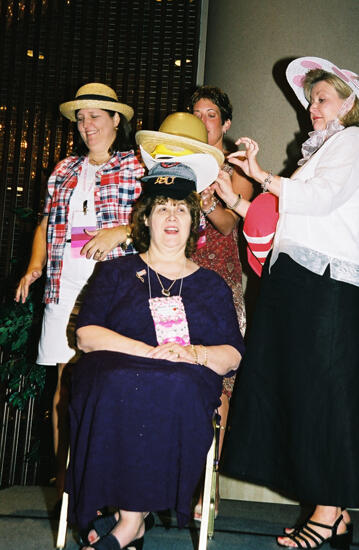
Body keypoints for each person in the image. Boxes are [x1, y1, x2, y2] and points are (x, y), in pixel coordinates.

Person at [66, 160, 244, 550]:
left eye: (181, 208)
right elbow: (87, 335)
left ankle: (129, 521)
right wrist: (150, 352)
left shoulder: (211, 285)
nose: (171, 216)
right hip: (116, 370)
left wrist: (191, 352)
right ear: (145, 218)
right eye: (161, 206)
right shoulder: (115, 273)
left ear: (193, 220)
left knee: (173, 385)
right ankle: (132, 520)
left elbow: (231, 355)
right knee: (118, 380)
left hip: (183, 377)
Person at [221, 56, 359, 549]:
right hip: (305, 280)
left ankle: (328, 511)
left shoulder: (352, 142)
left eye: (322, 99)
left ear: (349, 103)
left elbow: (316, 201)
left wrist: (262, 177)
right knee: (307, 394)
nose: (312, 109)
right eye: (311, 101)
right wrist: (239, 202)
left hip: (326, 283)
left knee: (322, 396)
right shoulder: (326, 150)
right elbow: (290, 220)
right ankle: (333, 513)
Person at [15, 83, 144, 498]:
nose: (86, 125)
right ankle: (67, 485)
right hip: (62, 287)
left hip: (113, 288)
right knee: (64, 387)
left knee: (110, 385)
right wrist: (35, 267)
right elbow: (45, 225)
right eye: (81, 118)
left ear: (116, 119)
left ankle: (110, 484)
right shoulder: (63, 169)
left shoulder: (137, 166)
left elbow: (159, 220)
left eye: (95, 116)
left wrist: (119, 231)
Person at [187, 85, 253, 518]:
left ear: (225, 123)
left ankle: (206, 487)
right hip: (176, 279)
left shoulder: (235, 168)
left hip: (221, 286)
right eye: (195, 112)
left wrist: (205, 191)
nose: (202, 119)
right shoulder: (178, 161)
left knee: (218, 384)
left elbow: (229, 224)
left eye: (211, 114)